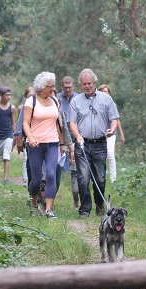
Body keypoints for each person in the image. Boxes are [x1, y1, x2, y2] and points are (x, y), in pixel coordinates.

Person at [69, 68, 119, 218]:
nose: (87, 86)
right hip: (82, 144)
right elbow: (72, 122)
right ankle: (85, 209)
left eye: (89, 83)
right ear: (81, 85)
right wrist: (77, 136)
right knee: (83, 177)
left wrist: (112, 130)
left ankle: (99, 204)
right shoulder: (76, 101)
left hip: (100, 144)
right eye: (84, 84)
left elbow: (114, 118)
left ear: (94, 83)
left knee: (100, 178)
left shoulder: (106, 99)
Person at [23, 72, 66, 219]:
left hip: (52, 143)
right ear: (42, 88)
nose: (53, 89)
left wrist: (62, 143)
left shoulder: (55, 101)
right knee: (35, 180)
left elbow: (58, 124)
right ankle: (34, 203)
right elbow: (25, 123)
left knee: (51, 175)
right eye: (50, 86)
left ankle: (48, 210)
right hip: (35, 145)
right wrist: (30, 138)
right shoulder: (31, 102)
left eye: (54, 86)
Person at [57, 75, 80, 208]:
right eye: (65, 88)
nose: (67, 90)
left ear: (73, 86)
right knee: (63, 158)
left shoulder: (78, 97)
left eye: (70, 87)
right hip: (62, 132)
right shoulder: (58, 98)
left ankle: (75, 191)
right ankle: (63, 178)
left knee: (75, 160)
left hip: (75, 131)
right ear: (62, 87)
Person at [98, 84, 125, 183]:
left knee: (110, 154)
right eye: (102, 91)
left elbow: (117, 120)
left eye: (106, 92)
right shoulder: (97, 104)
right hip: (100, 133)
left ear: (109, 93)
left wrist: (121, 134)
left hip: (111, 133)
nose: (104, 93)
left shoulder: (113, 105)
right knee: (100, 155)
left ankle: (113, 179)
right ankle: (101, 176)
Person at [16, 87, 35, 187]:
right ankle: (26, 179)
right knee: (26, 158)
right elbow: (20, 123)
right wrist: (19, 138)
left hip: (38, 137)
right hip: (26, 137)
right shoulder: (22, 108)